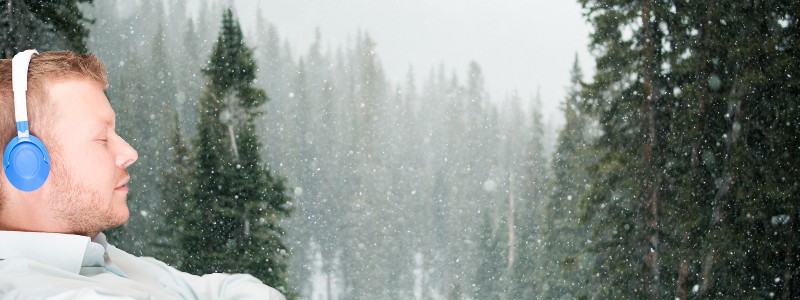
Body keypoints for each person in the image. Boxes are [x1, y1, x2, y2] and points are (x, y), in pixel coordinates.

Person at [0, 50, 286, 300]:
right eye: (102, 138)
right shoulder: (31, 290)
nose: (129, 152)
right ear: (29, 165)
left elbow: (222, 291)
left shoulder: (100, 257)